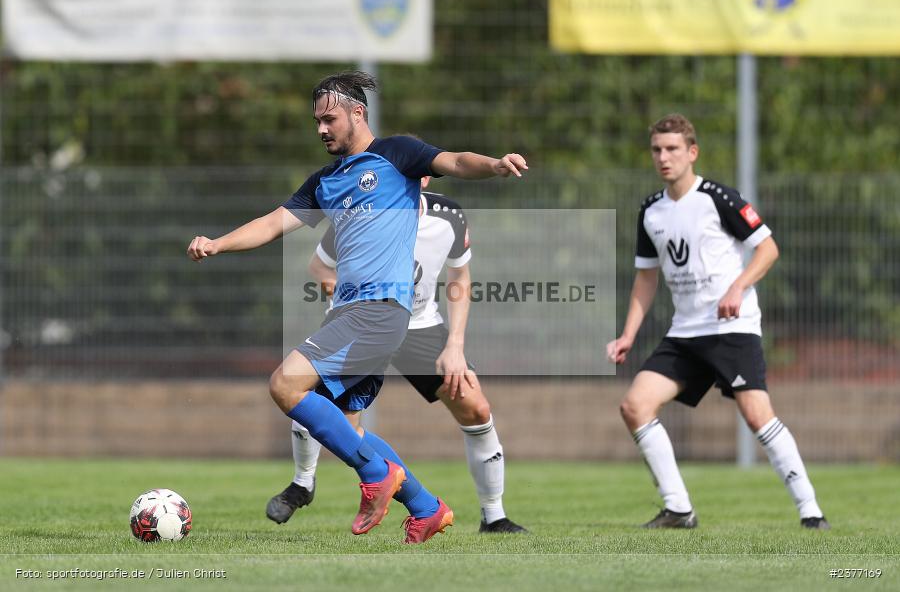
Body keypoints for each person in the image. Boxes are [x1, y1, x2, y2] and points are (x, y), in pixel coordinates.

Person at [187, 71, 527, 543]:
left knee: (285, 385)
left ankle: (375, 475)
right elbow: (270, 224)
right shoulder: (324, 182)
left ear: (357, 113)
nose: (321, 129)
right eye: (316, 121)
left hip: (379, 310)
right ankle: (427, 507)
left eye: (329, 118)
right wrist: (218, 244)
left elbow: (454, 160)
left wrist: (493, 164)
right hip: (353, 314)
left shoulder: (397, 154)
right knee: (347, 428)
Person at [266, 177, 527, 534]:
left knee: (476, 406)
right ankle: (304, 482)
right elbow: (320, 266)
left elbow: (460, 278)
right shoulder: (361, 210)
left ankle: (493, 516)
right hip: (366, 321)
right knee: (324, 405)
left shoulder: (448, 216)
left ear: (425, 176)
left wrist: (455, 346)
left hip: (420, 326)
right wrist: (349, 304)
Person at [606, 114, 829, 530]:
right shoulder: (650, 212)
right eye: (656, 149)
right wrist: (628, 335)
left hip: (732, 328)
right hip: (686, 333)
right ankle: (678, 509)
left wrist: (736, 288)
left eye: (672, 149)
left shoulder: (718, 198)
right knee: (635, 405)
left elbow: (767, 249)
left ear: (692, 152)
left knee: (757, 416)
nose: (663, 157)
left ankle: (811, 511)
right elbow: (646, 277)